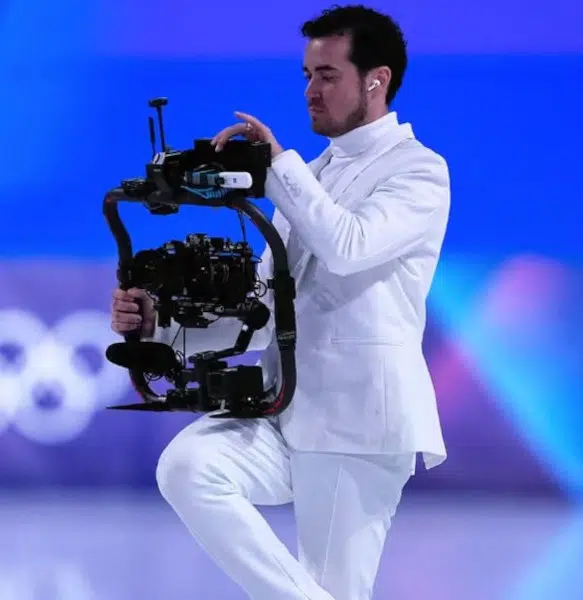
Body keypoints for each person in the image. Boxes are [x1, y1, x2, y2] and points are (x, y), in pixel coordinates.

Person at [111, 4, 450, 599]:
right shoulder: (308, 175)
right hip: (284, 407)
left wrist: (278, 167)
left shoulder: (418, 171)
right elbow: (267, 312)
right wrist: (160, 325)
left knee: (335, 586)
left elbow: (348, 246)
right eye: (307, 75)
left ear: (378, 80)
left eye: (328, 75)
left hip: (360, 424)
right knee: (189, 468)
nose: (311, 91)